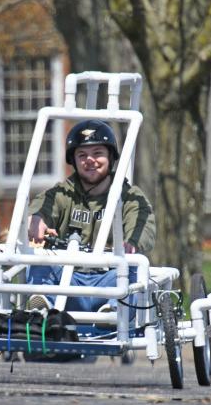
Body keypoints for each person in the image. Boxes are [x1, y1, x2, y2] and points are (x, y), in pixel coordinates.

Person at [25, 119, 155, 315]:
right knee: (41, 263)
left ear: (110, 157)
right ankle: (42, 306)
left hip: (110, 279)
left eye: (98, 153)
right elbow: (41, 208)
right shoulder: (62, 193)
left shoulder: (130, 197)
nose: (90, 160)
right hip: (67, 282)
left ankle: (112, 313)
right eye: (82, 155)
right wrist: (37, 221)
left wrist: (132, 243)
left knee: (130, 272)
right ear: (74, 160)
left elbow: (142, 224)